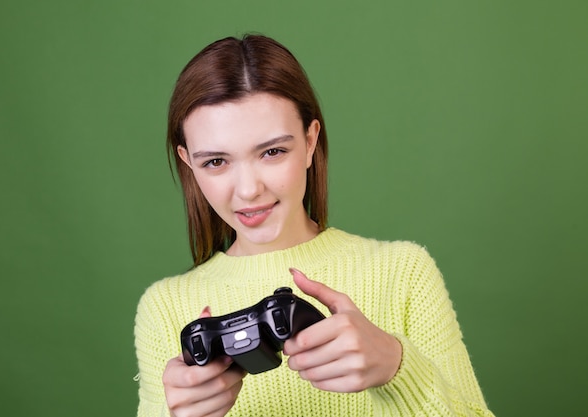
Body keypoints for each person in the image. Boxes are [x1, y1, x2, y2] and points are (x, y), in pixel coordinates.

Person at [134, 34, 494, 417]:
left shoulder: (404, 271)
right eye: (216, 162)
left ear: (310, 141)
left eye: (272, 152)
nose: (249, 190)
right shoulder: (164, 307)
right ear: (188, 162)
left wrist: (396, 367)